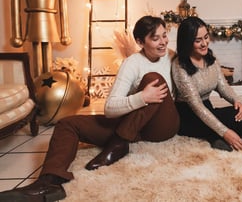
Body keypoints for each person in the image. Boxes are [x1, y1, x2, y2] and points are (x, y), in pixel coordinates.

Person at [0, 16, 179, 202]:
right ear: (140, 42)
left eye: (164, 35)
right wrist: (142, 97)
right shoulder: (132, 63)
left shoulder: (172, 57)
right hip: (132, 125)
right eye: (155, 38)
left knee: (153, 78)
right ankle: (48, 183)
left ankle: (119, 142)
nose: (163, 42)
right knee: (66, 124)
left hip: (160, 127)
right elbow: (110, 108)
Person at [172, 16, 242, 152]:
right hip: (190, 117)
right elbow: (197, 107)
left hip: (209, 109)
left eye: (206, 37)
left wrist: (238, 102)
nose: (204, 43)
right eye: (198, 40)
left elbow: (223, 86)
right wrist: (225, 132)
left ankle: (214, 136)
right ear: (187, 42)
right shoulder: (179, 66)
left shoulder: (210, 57)